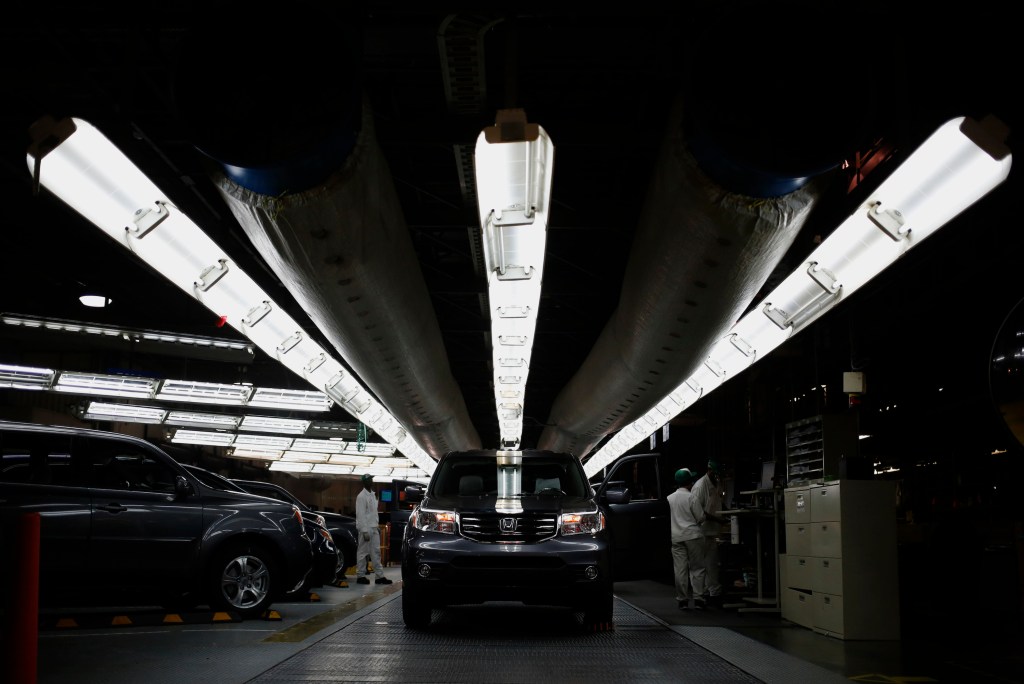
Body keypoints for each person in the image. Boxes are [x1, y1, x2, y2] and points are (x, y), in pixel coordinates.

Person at [690, 458, 731, 608]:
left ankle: (709, 593)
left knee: (710, 564)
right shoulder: (700, 486)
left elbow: (718, 501)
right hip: (701, 530)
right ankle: (706, 595)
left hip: (712, 531)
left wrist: (729, 511)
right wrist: (719, 520)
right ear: (710, 471)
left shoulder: (717, 483)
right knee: (705, 565)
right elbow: (699, 512)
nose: (718, 477)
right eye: (716, 474)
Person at [667, 468, 706, 610]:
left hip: (677, 537)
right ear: (690, 482)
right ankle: (699, 599)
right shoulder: (691, 497)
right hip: (693, 536)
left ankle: (682, 600)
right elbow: (701, 517)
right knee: (697, 568)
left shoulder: (670, 498)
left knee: (680, 569)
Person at [355, 473, 392, 585]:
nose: (371, 481)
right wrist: (364, 530)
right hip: (365, 529)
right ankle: (360, 576)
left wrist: (376, 526)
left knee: (376, 552)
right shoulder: (361, 496)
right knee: (362, 553)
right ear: (364, 482)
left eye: (371, 479)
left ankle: (379, 576)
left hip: (373, 528)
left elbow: (373, 513)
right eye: (369, 479)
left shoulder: (372, 495)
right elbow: (360, 515)